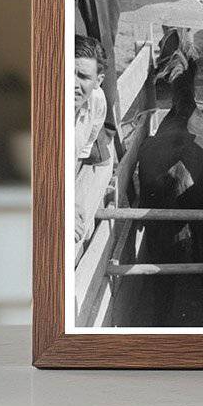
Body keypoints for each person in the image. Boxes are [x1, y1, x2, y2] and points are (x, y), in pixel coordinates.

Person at [74, 35, 113, 249]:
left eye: (83, 76)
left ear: (98, 82)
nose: (73, 83)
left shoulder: (97, 104)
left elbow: (78, 157)